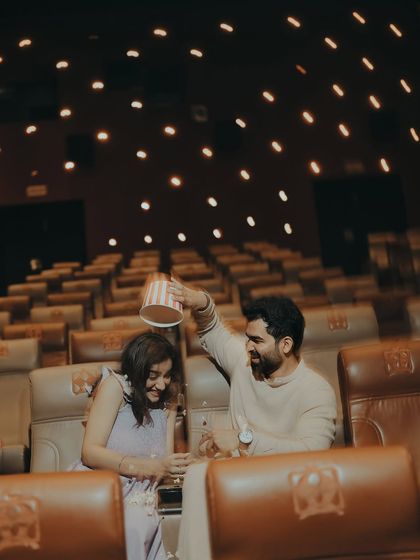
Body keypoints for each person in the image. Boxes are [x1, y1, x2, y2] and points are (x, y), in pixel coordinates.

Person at [170, 280, 337, 559]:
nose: (247, 346)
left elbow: (313, 455)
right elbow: (213, 328)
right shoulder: (245, 362)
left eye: (257, 340)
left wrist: (244, 439)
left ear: (286, 345)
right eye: (248, 337)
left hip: (283, 488)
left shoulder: (316, 391)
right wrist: (200, 301)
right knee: (197, 474)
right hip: (236, 480)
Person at [69, 332, 193, 560]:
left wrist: (179, 464)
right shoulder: (115, 387)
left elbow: (164, 458)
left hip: (143, 495)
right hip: (103, 487)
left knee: (143, 522)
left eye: (166, 376)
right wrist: (149, 467)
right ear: (136, 370)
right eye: (153, 375)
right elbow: (90, 452)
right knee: (132, 527)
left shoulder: (168, 398)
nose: (161, 384)